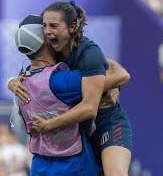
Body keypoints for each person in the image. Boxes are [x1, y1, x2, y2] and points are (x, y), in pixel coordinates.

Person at [10, 2, 133, 176]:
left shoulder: (88, 52)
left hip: (107, 120)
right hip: (80, 126)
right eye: (44, 26)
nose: (47, 31)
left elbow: (122, 75)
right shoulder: (54, 51)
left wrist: (49, 124)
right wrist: (11, 81)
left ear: (72, 26)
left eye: (53, 26)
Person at [11, 14, 101, 176]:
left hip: (40, 166)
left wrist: (9, 81)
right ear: (46, 40)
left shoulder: (20, 83)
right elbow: (119, 75)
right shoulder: (60, 81)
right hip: (75, 166)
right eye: (46, 28)